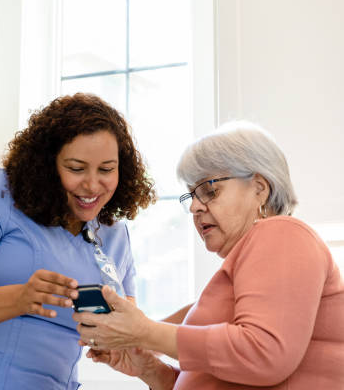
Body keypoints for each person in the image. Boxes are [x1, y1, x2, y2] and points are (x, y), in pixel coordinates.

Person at [0, 93, 156, 389]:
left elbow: (125, 325)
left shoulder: (114, 235)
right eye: (75, 168)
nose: (92, 184)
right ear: (48, 165)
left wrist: (117, 340)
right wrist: (19, 299)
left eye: (106, 169)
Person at [73, 121, 344, 389]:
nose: (193, 207)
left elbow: (264, 354)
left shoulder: (283, 233)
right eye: (191, 194)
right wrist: (150, 369)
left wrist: (145, 332)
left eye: (209, 190)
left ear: (259, 188)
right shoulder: (252, 265)